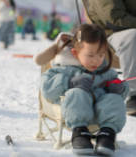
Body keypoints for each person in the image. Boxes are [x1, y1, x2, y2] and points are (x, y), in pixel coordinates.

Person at [39, 24, 129, 156]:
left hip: (101, 114)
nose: (96, 60)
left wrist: (120, 88)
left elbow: (121, 91)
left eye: (100, 55)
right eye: (90, 55)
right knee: (76, 93)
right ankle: (80, 134)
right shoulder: (63, 68)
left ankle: (106, 135)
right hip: (75, 113)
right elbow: (46, 86)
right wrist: (68, 83)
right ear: (75, 53)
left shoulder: (107, 72)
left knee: (114, 99)